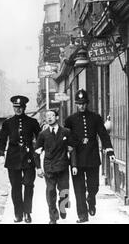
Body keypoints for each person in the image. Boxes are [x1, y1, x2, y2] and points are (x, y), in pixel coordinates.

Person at [64, 89, 116, 224]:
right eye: (79, 103)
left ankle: (91, 199)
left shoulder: (96, 117)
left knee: (94, 186)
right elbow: (66, 139)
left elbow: (103, 135)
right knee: (79, 188)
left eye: (84, 103)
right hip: (77, 159)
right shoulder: (70, 120)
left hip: (92, 157)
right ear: (76, 104)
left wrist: (109, 150)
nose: (81, 106)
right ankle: (82, 215)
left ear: (87, 103)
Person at [0, 95, 41, 223]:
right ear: (13, 108)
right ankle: (18, 214)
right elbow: (1, 140)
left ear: (24, 108)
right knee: (15, 187)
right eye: (16, 107)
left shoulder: (32, 122)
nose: (18, 110)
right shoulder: (8, 123)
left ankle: (27, 213)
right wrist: (0, 154)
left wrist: (40, 149)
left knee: (28, 185)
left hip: (29, 158)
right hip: (13, 158)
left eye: (20, 107)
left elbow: (40, 138)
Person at [35, 110, 77, 224]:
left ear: (57, 117)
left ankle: (62, 207)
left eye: (52, 115)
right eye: (47, 116)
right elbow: (37, 152)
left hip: (63, 167)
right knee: (50, 192)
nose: (49, 118)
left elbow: (72, 150)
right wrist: (38, 168)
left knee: (64, 192)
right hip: (49, 168)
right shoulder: (43, 134)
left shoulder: (66, 132)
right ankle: (53, 217)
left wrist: (74, 165)